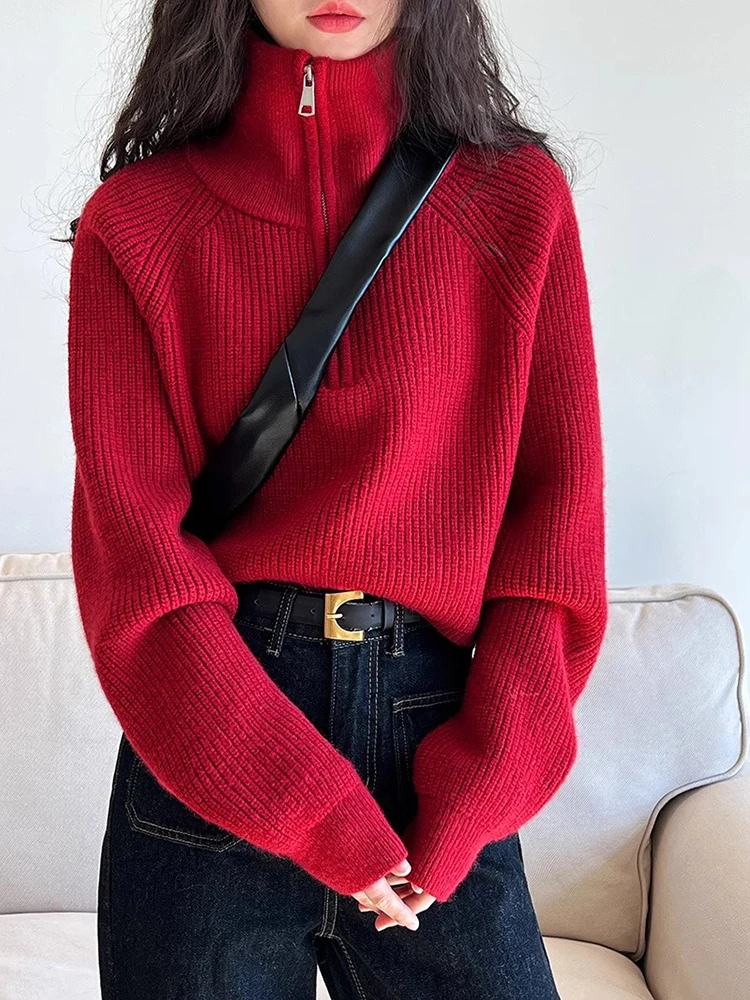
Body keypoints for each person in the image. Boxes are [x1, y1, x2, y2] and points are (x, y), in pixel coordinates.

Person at [65, 1, 608, 997]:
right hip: (216, 742)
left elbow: (555, 541)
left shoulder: (515, 203)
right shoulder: (138, 226)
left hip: (436, 749)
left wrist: (482, 784)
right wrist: (315, 810)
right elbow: (138, 568)